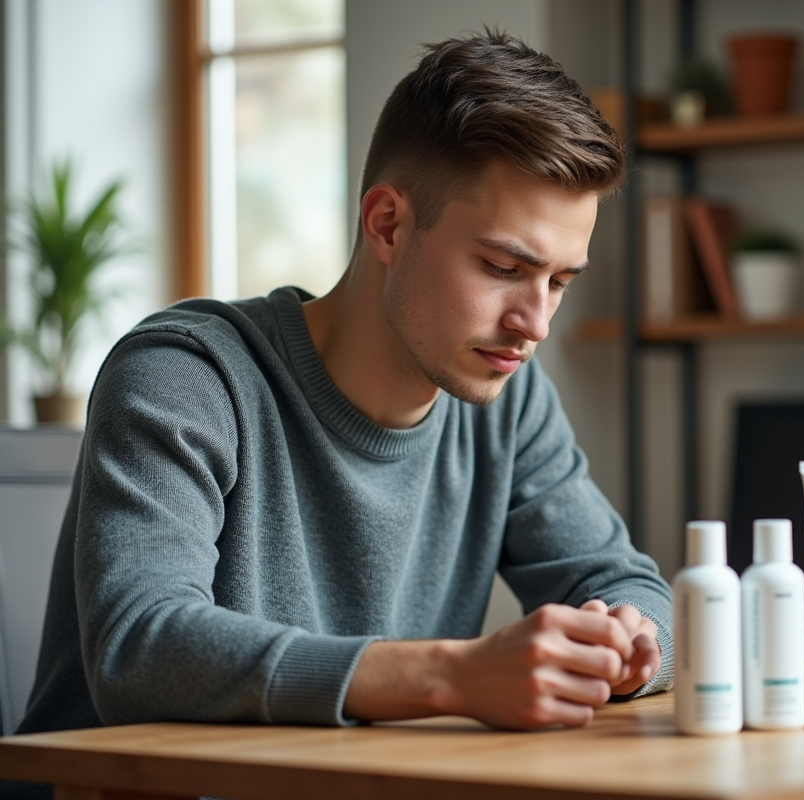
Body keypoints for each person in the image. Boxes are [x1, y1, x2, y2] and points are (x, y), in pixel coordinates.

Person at [10, 28, 673, 775]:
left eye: (559, 281)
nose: (536, 323)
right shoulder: (186, 375)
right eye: (501, 266)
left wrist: (628, 645)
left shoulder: (510, 403)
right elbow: (141, 648)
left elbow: (627, 583)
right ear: (387, 223)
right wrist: (453, 676)